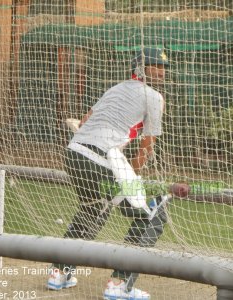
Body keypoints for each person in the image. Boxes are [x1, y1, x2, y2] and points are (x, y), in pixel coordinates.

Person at [47, 47, 170, 300]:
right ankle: (119, 284)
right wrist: (132, 177)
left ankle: (59, 273)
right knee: (154, 213)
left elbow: (83, 121)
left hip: (74, 153)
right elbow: (147, 146)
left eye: (164, 66)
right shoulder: (155, 97)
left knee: (94, 210)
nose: (162, 71)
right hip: (101, 160)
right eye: (156, 66)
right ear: (140, 68)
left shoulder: (114, 89)